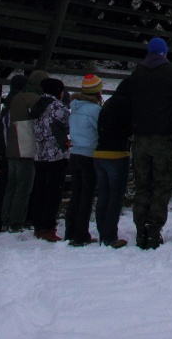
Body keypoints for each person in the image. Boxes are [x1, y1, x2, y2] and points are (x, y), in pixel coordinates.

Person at [119, 36, 172, 249]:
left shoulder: (137, 73)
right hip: (164, 138)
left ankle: (140, 231)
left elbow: (127, 100)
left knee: (142, 185)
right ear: (164, 53)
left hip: (140, 140)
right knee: (162, 184)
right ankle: (154, 229)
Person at [1, 69, 45, 232]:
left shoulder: (17, 97)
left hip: (12, 148)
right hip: (25, 149)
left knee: (11, 186)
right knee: (24, 188)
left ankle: (5, 218)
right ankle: (17, 222)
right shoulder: (33, 99)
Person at [28, 77, 71, 241]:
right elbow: (69, 124)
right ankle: (48, 228)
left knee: (40, 191)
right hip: (55, 156)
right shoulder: (56, 107)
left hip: (39, 154)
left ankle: (38, 226)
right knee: (53, 194)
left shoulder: (37, 105)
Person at [65, 73, 103, 246]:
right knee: (86, 197)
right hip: (89, 155)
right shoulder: (95, 110)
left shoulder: (75, 107)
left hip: (75, 154)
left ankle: (70, 231)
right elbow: (100, 130)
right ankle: (81, 234)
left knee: (76, 194)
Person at [93, 87, 132, 248]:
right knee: (115, 198)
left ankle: (102, 232)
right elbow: (130, 127)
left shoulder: (108, 104)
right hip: (117, 154)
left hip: (99, 153)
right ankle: (110, 236)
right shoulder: (126, 105)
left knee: (103, 196)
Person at [0, 72, 28, 233]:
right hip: (15, 151)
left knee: (10, 186)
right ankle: (13, 221)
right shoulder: (17, 103)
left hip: (9, 150)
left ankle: (4, 220)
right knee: (17, 186)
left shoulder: (10, 101)